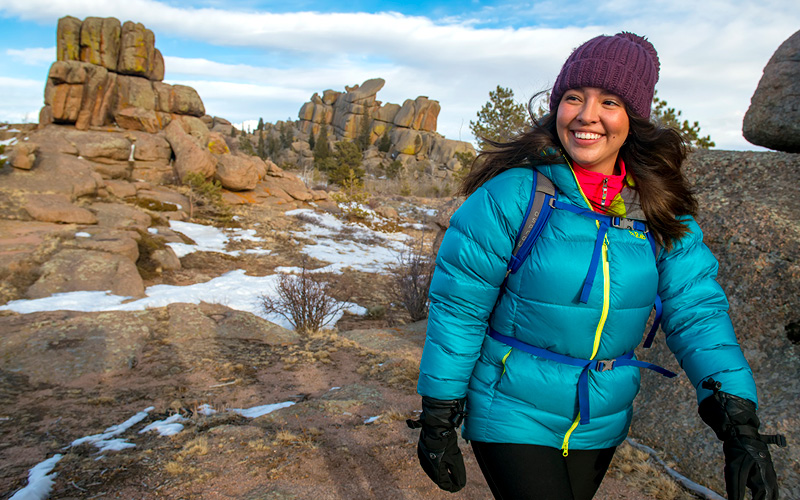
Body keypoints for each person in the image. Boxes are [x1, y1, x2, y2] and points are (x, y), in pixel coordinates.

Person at [407, 32, 784, 500]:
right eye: (573, 98)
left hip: (601, 415)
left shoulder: (659, 208)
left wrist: (737, 419)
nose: (587, 115)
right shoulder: (515, 194)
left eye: (609, 101)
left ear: (633, 118)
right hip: (511, 405)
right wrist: (440, 412)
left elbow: (697, 309)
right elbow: (460, 306)